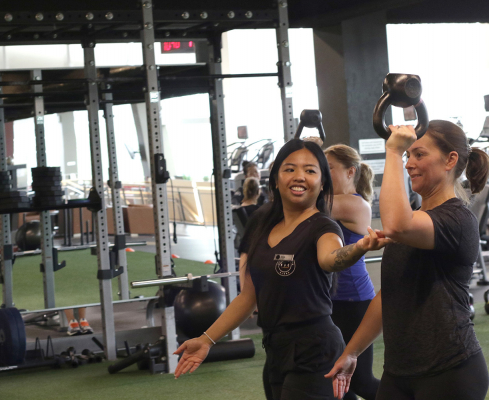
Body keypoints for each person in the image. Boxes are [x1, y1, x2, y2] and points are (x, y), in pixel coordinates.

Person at [174, 139, 390, 400]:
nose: (299, 176)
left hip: (315, 348)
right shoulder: (263, 225)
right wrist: (207, 339)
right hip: (275, 348)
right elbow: (248, 296)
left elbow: (331, 259)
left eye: (310, 170)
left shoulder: (323, 226)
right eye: (290, 169)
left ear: (323, 184)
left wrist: (359, 248)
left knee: (362, 382)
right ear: (275, 178)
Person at [326, 121, 489, 400]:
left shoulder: (457, 218)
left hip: (450, 371)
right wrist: (352, 352)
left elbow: (396, 225)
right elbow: (390, 293)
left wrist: (392, 151)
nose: (408, 163)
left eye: (419, 155)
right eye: (407, 155)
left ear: (450, 160)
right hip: (399, 372)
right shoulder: (415, 219)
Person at [324, 144, 380, 400]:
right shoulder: (333, 200)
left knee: (361, 382)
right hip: (330, 300)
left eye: (328, 168)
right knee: (337, 379)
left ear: (350, 172)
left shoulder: (354, 205)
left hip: (354, 301)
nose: (323, 173)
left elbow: (304, 202)